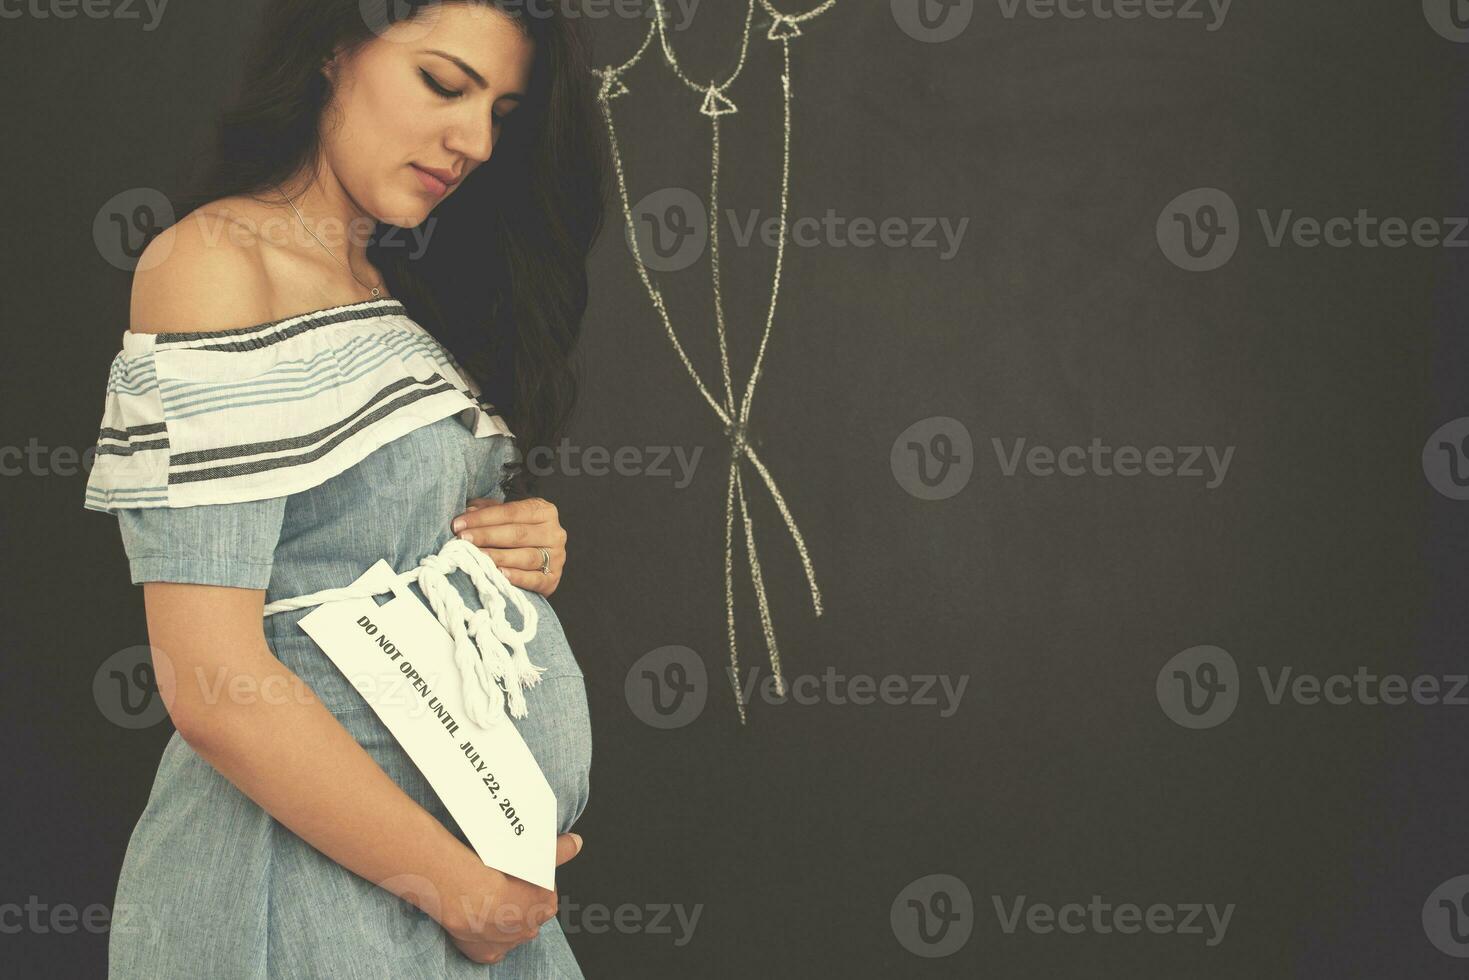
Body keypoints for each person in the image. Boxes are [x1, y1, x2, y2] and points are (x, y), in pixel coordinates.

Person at [82, 2, 609, 975]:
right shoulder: (215, 262)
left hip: (443, 883)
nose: (473, 139)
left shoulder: (394, 279)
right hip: (307, 889)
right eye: (443, 85)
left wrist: (509, 545)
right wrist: (459, 887)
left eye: (500, 110)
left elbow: (375, 532)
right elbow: (209, 681)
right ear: (334, 49)